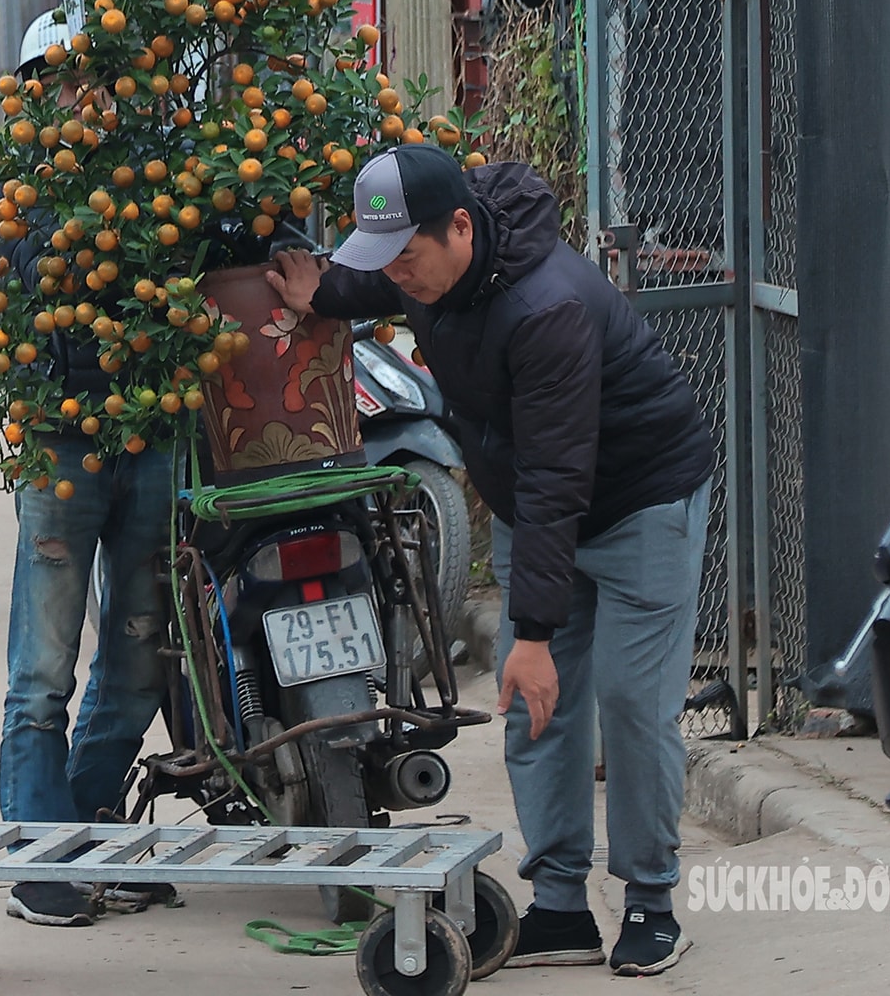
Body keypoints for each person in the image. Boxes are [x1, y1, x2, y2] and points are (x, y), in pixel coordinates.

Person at [268, 145, 715, 977]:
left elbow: (557, 476)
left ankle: (651, 903)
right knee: (531, 706)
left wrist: (536, 633)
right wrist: (322, 288)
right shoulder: (427, 264)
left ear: (461, 228)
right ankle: (560, 907)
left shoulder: (549, 308)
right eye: (385, 258)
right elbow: (374, 280)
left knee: (626, 701)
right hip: (537, 504)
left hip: (640, 501)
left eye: (408, 256)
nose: (399, 275)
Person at [0, 13, 179, 928]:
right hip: (62, 442)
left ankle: (90, 826)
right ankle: (39, 856)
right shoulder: (15, 172)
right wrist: (97, 212)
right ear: (34, 86)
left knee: (141, 650)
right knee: (44, 667)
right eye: (60, 78)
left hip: (152, 429)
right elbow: (27, 262)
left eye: (96, 76)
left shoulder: (164, 156)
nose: (81, 94)